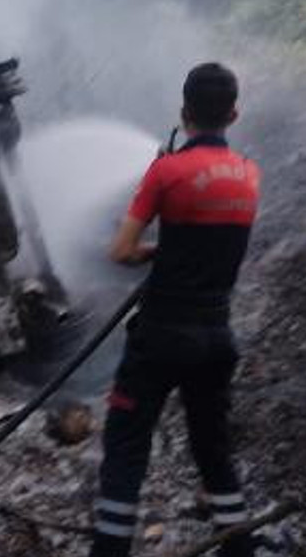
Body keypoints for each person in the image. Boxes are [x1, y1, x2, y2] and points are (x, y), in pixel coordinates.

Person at [89, 63, 261, 557]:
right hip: (217, 337)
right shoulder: (249, 174)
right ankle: (239, 549)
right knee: (213, 449)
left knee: (126, 445)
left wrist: (152, 249)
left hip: (161, 337)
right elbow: (209, 245)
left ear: (184, 113)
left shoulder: (165, 171)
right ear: (233, 114)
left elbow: (121, 251)